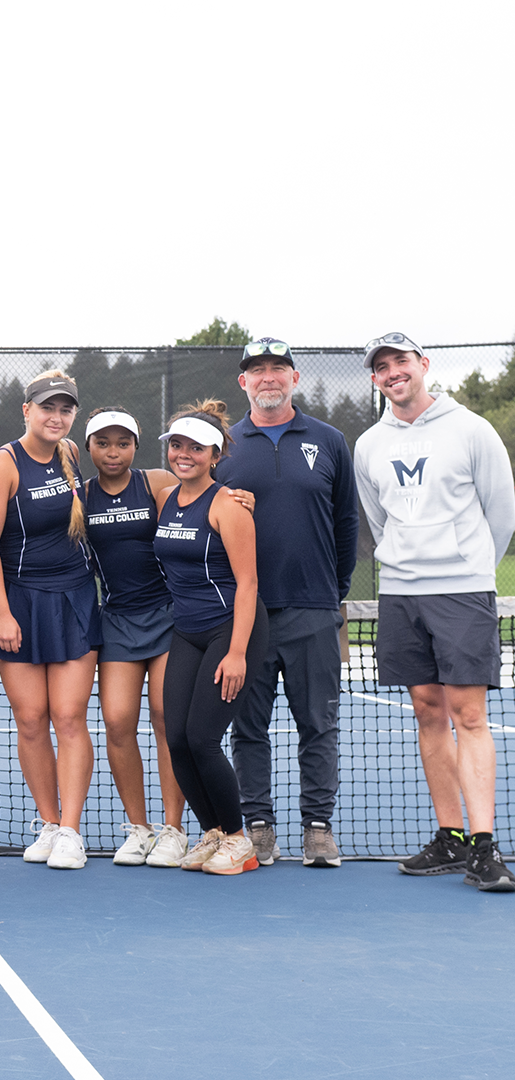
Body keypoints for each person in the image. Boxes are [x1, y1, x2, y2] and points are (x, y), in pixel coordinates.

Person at [355, 333, 515, 892]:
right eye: (382, 367)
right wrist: (407, 567)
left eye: (401, 361)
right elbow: (379, 521)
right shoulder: (369, 444)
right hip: (401, 595)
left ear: (423, 366)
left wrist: (467, 570)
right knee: (427, 710)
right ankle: (451, 838)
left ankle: (485, 847)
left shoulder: (472, 429)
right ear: (375, 380)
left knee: (468, 714)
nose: (393, 372)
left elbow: (502, 512)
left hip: (462, 592)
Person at [214, 337, 360, 868]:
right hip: (246, 619)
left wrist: (331, 591)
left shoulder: (329, 440)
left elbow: (347, 525)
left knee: (317, 724)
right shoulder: (223, 447)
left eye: (278, 368)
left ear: (294, 378)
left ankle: (318, 828)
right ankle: (259, 826)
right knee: (247, 727)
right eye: (258, 370)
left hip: (314, 612)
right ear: (243, 382)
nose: (268, 376)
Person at [0, 372, 101, 870]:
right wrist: (2, 612)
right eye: (48, 407)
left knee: (69, 718)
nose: (56, 416)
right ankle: (49, 822)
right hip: (19, 606)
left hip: (73, 599)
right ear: (26, 410)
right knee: (30, 720)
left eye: (66, 409)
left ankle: (71, 830)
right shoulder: (3, 466)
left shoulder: (70, 453)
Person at [154, 402, 269, 875]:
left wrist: (238, 652)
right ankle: (214, 831)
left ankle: (240, 841)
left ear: (215, 455)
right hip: (187, 631)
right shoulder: (164, 497)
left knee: (202, 739)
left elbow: (248, 584)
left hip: (231, 629)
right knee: (176, 740)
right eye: (176, 445)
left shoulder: (229, 506)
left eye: (195, 448)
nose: (183, 454)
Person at [81, 408, 191, 868]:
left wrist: (236, 497)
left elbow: (203, 502)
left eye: (122, 443)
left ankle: (173, 829)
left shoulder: (158, 482)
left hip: (168, 618)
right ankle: (138, 827)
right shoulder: (78, 496)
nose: (113, 451)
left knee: (168, 719)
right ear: (88, 447)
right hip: (118, 622)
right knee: (119, 721)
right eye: (103, 443)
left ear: (136, 446)